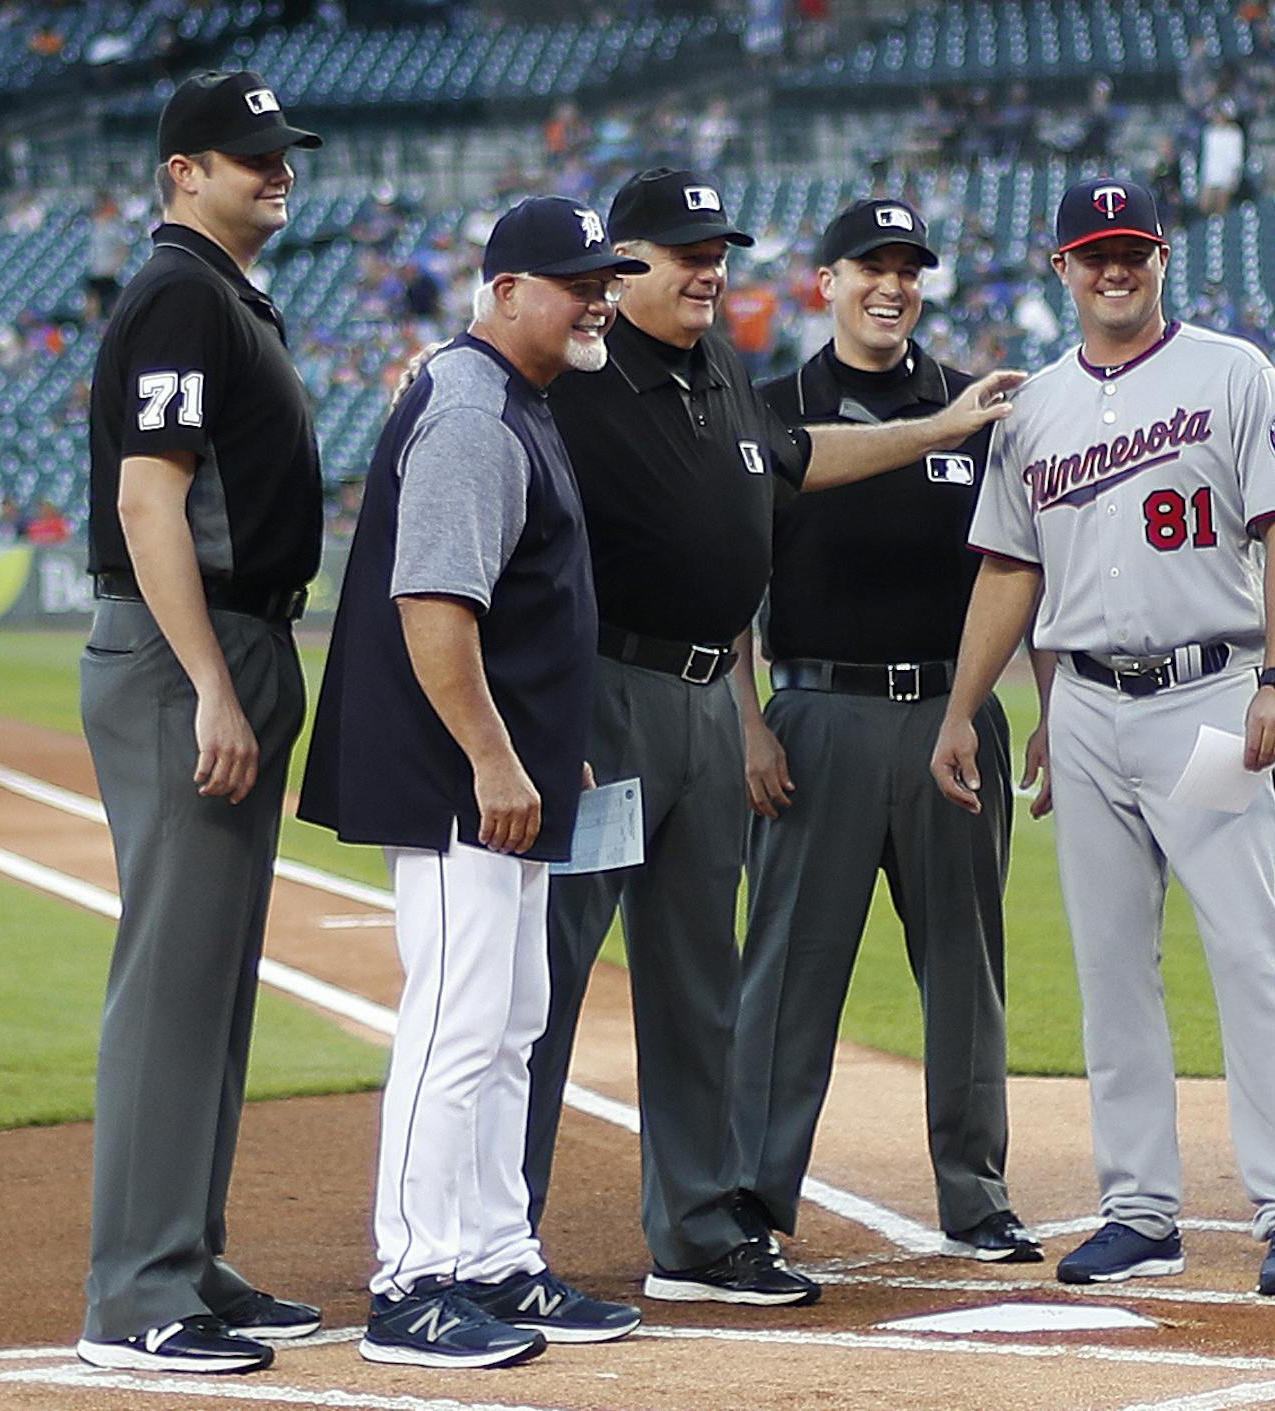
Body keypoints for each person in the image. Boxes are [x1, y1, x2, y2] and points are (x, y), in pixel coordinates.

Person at [524, 166, 1021, 1308]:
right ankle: (496, 1234)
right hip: (610, 701)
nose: (708, 270)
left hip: (707, 700)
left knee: (698, 980)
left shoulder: (720, 372)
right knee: (544, 978)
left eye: (718, 252)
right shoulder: (573, 373)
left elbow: (792, 461)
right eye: (684, 252)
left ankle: (700, 1231)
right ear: (621, 263)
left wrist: (941, 426)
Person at [930, 176, 1275, 1299]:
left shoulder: (1230, 371)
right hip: (1090, 717)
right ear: (1061, 268)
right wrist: (969, 709)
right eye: (1095, 252)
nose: (1117, 269)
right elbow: (1011, 572)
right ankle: (1140, 1211)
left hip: (1209, 702)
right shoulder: (1037, 408)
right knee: (1113, 968)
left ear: (1162, 259)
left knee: (1247, 950)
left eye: (1136, 250)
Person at [300, 196, 649, 1370]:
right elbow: (434, 606)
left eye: (606, 278)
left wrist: (549, 749)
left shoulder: (520, 399)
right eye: (577, 281)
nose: (600, 297)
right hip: (458, 781)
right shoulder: (468, 408)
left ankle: (498, 1254)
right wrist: (499, 755)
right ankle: (412, 1281)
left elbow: (525, 613)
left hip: (509, 771)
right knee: (457, 1019)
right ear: (505, 291)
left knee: (513, 1020)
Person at [728, 197, 1038, 1266]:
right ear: (827, 284)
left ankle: (977, 1190)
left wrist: (1040, 706)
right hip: (813, 717)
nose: (892, 285)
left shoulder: (977, 404)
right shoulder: (771, 407)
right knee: (787, 974)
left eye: (909, 269)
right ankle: (754, 1204)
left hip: (954, 716)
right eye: (871, 266)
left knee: (966, 967)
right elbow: (729, 581)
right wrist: (747, 725)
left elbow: (1023, 562)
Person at [75, 70, 327, 1377]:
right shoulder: (181, 290)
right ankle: (135, 1292)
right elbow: (145, 503)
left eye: (282, 153)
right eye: (249, 156)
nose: (276, 169)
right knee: (175, 981)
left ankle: (188, 1251)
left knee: (215, 981)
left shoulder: (221, 292)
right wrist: (213, 684)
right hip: (191, 650)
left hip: (236, 637)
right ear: (184, 171)